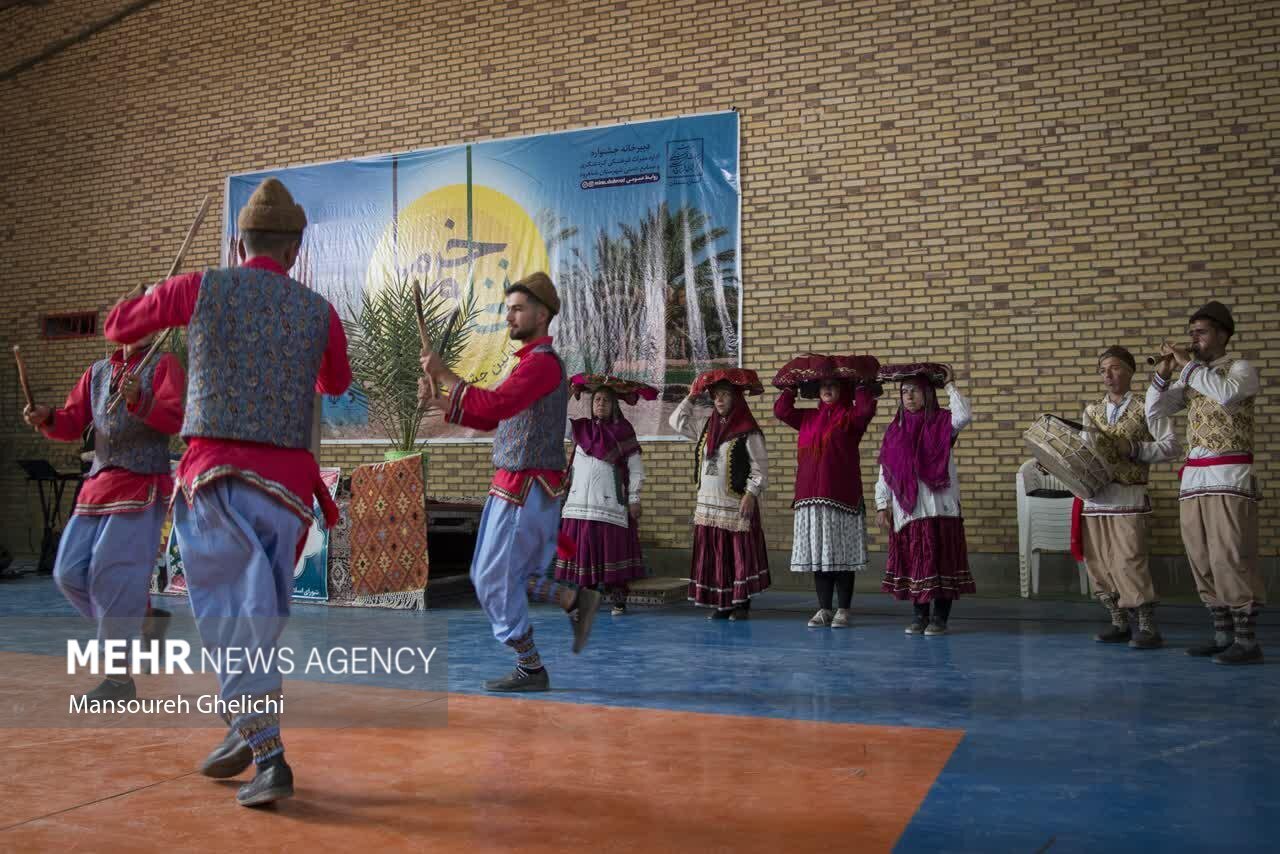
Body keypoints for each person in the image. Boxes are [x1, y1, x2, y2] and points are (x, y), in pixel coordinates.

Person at [105, 177, 352, 806]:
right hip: (291, 493)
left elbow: (118, 327)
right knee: (256, 615)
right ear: (295, 250)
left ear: (238, 244)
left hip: (217, 480)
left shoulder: (199, 288)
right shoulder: (318, 310)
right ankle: (242, 728)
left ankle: (268, 755)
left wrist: (142, 298)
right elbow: (335, 382)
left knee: (229, 619)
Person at [420, 272, 601, 693]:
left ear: (542, 315)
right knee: (513, 574)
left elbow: (498, 403)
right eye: (508, 310)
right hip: (517, 485)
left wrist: (446, 375)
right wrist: (440, 400)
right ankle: (574, 600)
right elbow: (491, 416)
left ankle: (530, 665)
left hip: (526, 487)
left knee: (491, 578)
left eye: (517, 309)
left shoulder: (542, 365)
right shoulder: (528, 365)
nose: (509, 318)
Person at [22, 333, 184, 700]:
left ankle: (118, 680)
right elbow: (70, 420)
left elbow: (175, 419)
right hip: (99, 482)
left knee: (110, 577)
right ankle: (140, 621)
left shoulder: (163, 365)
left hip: (142, 482)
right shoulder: (97, 372)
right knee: (68, 573)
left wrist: (139, 400)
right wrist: (47, 417)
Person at [1147, 300, 1263, 665]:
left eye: (1201, 332)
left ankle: (1247, 640)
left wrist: (1187, 364)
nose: (1193, 339)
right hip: (1195, 477)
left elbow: (1225, 393)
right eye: (1191, 333)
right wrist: (1163, 375)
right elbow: (1156, 410)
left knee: (1229, 554)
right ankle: (1221, 633)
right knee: (1200, 556)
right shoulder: (1194, 374)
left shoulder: (1240, 369)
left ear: (1223, 334)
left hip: (1229, 474)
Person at [1073, 346, 1178, 648]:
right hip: (1096, 499)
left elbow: (1171, 447)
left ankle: (1146, 625)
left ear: (1131, 371)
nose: (1108, 374)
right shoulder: (1091, 412)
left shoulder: (1148, 407)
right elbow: (1085, 452)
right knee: (1099, 562)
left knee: (1129, 560)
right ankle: (1118, 621)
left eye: (1115, 367)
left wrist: (1133, 449)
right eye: (1103, 369)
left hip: (1129, 495)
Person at [773, 355, 879, 628]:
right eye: (823, 386)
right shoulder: (807, 418)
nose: (827, 389)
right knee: (819, 557)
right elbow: (782, 412)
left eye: (833, 385)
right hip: (810, 498)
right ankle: (824, 609)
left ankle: (843, 609)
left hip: (842, 498)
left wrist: (860, 385)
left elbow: (866, 409)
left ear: (842, 389)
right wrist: (789, 388)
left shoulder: (851, 417)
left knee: (841, 557)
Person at [875, 365, 974, 635]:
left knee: (942, 561)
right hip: (910, 509)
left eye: (915, 391)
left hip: (940, 506)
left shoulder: (943, 422)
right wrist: (882, 504)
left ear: (928, 393)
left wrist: (950, 385)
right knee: (915, 562)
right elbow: (886, 471)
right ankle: (919, 616)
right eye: (904, 392)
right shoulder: (894, 431)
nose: (909, 397)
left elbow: (964, 416)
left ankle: (940, 618)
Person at [669, 369, 770, 620]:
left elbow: (760, 468)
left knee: (737, 556)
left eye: (725, 395)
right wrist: (692, 396)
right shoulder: (706, 428)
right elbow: (676, 422)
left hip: (734, 503)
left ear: (736, 398)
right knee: (716, 556)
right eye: (715, 396)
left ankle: (741, 604)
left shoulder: (748, 431)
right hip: (708, 504)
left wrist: (751, 494)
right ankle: (722, 603)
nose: (720, 400)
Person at [555, 376, 656, 616]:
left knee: (613, 552)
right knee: (584, 555)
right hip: (579, 505)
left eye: (606, 400)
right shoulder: (581, 428)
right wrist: (569, 393)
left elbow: (636, 469)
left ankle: (619, 599)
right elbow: (554, 421)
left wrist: (634, 498)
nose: (600, 403)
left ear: (615, 405)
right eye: (597, 399)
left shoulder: (623, 431)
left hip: (610, 506)